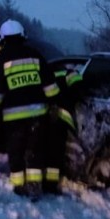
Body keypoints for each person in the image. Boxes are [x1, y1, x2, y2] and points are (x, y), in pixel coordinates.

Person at [0, 19, 60, 199]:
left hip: (13, 118)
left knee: (16, 152)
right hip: (37, 114)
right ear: (22, 35)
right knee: (35, 150)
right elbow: (50, 86)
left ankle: (19, 187)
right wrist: (54, 104)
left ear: (3, 38)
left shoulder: (0, 59)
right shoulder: (35, 55)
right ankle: (35, 186)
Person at [44, 64, 82, 194]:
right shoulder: (69, 73)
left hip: (45, 116)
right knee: (56, 152)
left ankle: (43, 182)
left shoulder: (46, 73)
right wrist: (68, 100)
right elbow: (79, 88)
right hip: (62, 117)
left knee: (45, 150)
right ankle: (51, 185)